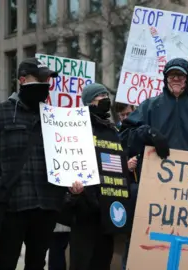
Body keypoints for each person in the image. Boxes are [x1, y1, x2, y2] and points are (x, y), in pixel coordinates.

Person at [0, 57, 83, 269]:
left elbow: (66, 156)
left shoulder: (55, 116)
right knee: (5, 262)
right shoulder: (1, 112)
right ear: (23, 80)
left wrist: (72, 183)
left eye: (47, 80)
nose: (46, 85)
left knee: (36, 264)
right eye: (40, 79)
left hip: (47, 203)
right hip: (13, 205)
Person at [119, 58, 188, 269]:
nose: (176, 79)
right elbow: (124, 137)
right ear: (165, 79)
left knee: (187, 255)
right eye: (171, 75)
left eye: (180, 76)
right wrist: (147, 132)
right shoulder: (149, 106)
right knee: (148, 250)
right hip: (153, 194)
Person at [68, 83, 133, 270]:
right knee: (82, 262)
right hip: (84, 209)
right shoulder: (78, 129)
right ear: (90, 102)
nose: (106, 98)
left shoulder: (112, 130)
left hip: (108, 210)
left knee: (102, 261)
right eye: (100, 96)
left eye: (106, 94)